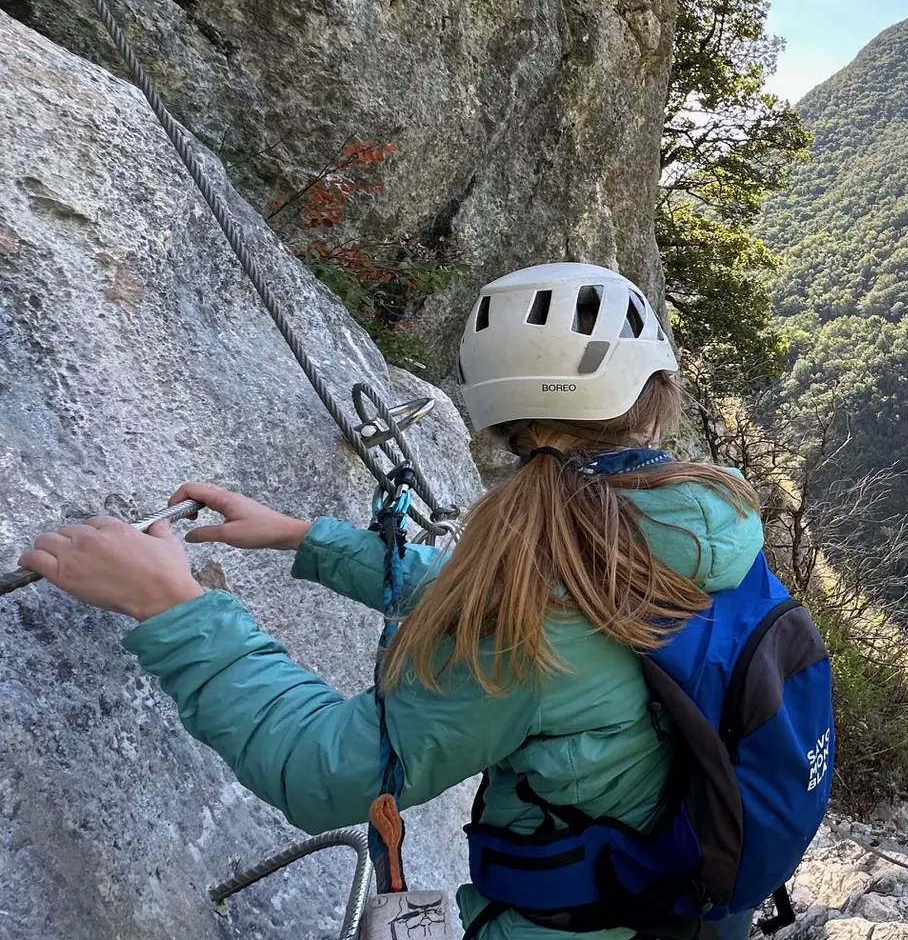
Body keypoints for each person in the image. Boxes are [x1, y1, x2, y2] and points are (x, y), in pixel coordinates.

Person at [19, 263, 771, 940]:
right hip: (691, 892)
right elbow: (545, 606)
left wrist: (175, 607)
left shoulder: (541, 598)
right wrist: (306, 538)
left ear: (503, 426)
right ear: (657, 403)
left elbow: (326, 772)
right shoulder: (702, 521)